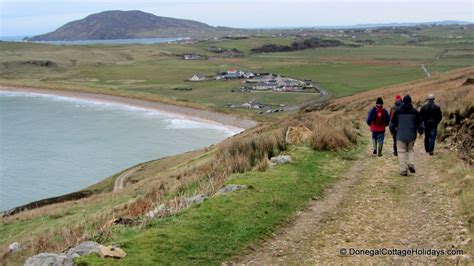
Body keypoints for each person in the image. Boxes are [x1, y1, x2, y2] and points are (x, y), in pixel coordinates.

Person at [390, 95, 424, 176]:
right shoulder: (415, 111)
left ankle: (403, 170)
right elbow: (420, 123)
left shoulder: (397, 111)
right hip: (412, 135)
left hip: (400, 135)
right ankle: (411, 164)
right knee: (410, 150)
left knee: (402, 152)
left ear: (403, 101)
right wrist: (420, 132)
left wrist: (392, 132)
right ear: (410, 102)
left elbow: (392, 123)